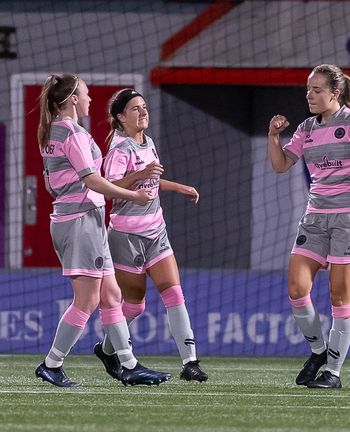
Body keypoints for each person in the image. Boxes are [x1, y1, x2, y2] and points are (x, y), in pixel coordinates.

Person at [34, 74, 171, 387]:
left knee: (111, 296)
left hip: (76, 219)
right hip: (82, 221)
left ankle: (129, 365)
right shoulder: (72, 132)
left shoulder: (52, 131)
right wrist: (134, 194)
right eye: (86, 94)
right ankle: (51, 364)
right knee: (86, 301)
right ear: (72, 100)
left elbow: (49, 183)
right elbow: (92, 180)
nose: (90, 100)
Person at [267, 64, 350, 389]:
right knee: (296, 288)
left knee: (338, 296)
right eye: (308, 89)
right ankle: (318, 350)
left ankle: (332, 372)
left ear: (336, 92)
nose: (310, 95)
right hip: (315, 218)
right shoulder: (306, 128)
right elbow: (280, 165)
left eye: (317, 90)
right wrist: (274, 136)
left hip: (349, 220)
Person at [94, 88, 208, 382]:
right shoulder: (119, 149)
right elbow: (110, 185)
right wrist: (138, 177)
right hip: (126, 235)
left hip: (156, 231)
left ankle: (190, 363)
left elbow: (152, 181)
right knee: (135, 305)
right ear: (120, 118)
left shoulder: (148, 142)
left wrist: (178, 187)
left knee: (174, 292)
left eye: (144, 107)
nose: (143, 112)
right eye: (135, 109)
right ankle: (107, 349)